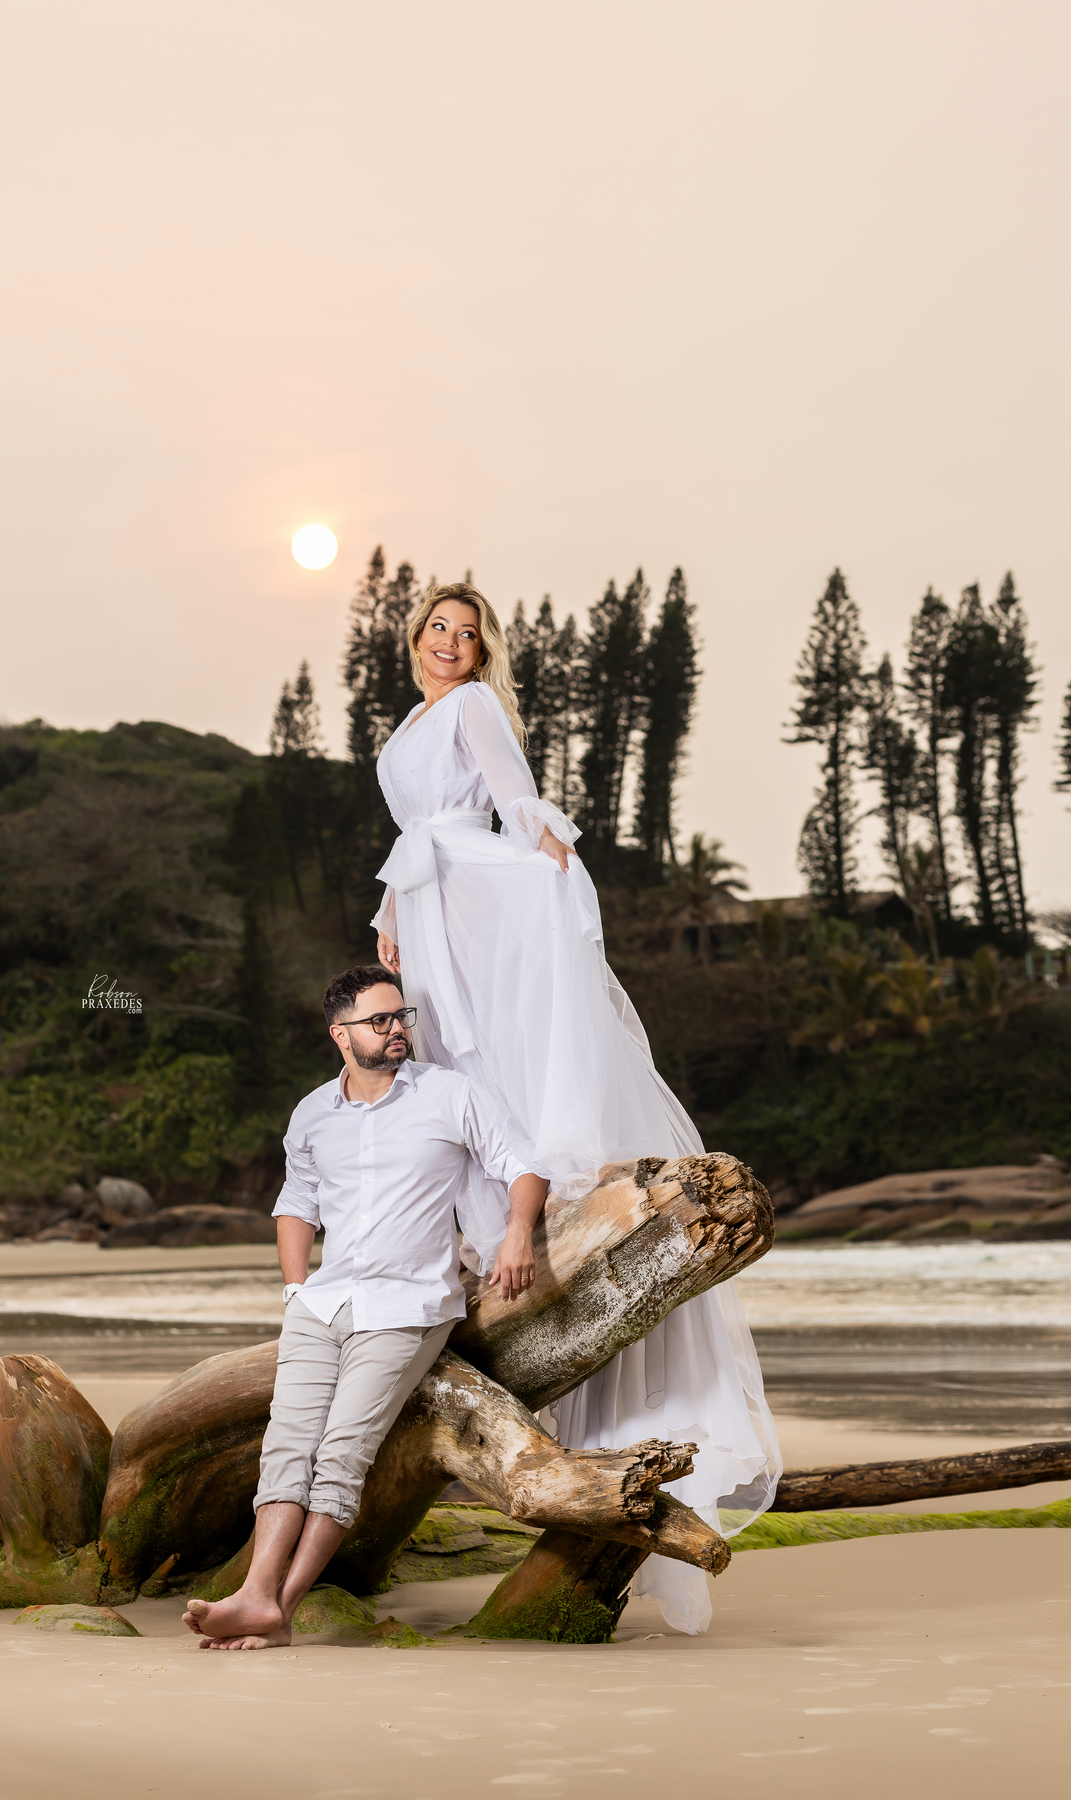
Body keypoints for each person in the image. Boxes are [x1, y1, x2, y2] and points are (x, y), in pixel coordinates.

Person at [372, 581, 781, 1636]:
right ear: (414, 638)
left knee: (491, 1058)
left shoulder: (472, 707)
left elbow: (513, 799)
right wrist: (390, 910)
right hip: (429, 900)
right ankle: (485, 1240)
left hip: (474, 893)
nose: (451, 643)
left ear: (482, 652)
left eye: (467, 634)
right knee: (456, 1067)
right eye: (438, 628)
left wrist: (552, 863)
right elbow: (417, 829)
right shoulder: (412, 720)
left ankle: (529, 1235)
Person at [183, 966, 546, 1651]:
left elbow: (523, 1164)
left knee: (343, 1452)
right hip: (323, 1303)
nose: (396, 1029)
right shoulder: (313, 1112)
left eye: (400, 1016)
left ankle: (280, 1607)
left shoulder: (450, 1094)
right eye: (379, 1020)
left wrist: (518, 1233)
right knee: (287, 1446)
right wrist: (296, 1289)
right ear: (340, 1035)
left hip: (409, 1305)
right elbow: (297, 1203)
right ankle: (256, 1594)